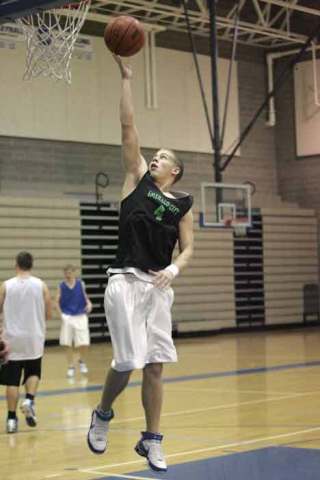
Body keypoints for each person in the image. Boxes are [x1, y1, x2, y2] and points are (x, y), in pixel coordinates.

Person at [87, 55, 194, 472]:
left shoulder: (183, 204)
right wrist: (127, 78)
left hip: (157, 287)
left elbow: (188, 248)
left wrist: (175, 269)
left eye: (164, 156)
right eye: (156, 154)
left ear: (176, 170)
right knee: (128, 361)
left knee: (155, 366)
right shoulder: (135, 180)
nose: (156, 157)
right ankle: (103, 412)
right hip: (124, 281)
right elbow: (128, 128)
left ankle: (151, 439)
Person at [0, 251, 51, 434]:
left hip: (11, 340)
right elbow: (49, 314)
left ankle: (12, 420)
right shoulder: (41, 285)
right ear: (31, 264)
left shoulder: (6, 286)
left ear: (17, 264)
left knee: (11, 381)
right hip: (34, 338)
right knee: (33, 371)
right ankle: (29, 400)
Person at [56, 265, 92, 378]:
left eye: (70, 272)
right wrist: (61, 315)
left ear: (74, 272)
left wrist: (89, 304)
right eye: (66, 272)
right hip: (68, 316)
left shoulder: (80, 284)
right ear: (64, 273)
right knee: (67, 343)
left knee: (84, 342)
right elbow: (56, 301)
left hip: (80, 315)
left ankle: (81, 361)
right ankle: (71, 366)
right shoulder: (61, 286)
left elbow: (86, 298)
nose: (68, 274)